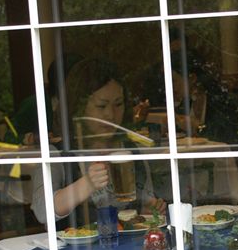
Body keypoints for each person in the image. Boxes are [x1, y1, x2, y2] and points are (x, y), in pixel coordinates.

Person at [31, 58, 166, 228]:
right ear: (79, 108)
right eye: (101, 106)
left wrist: (148, 210)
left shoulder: (131, 152)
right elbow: (42, 211)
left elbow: (144, 204)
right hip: (75, 245)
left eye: (118, 104)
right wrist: (87, 184)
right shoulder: (57, 154)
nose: (110, 114)